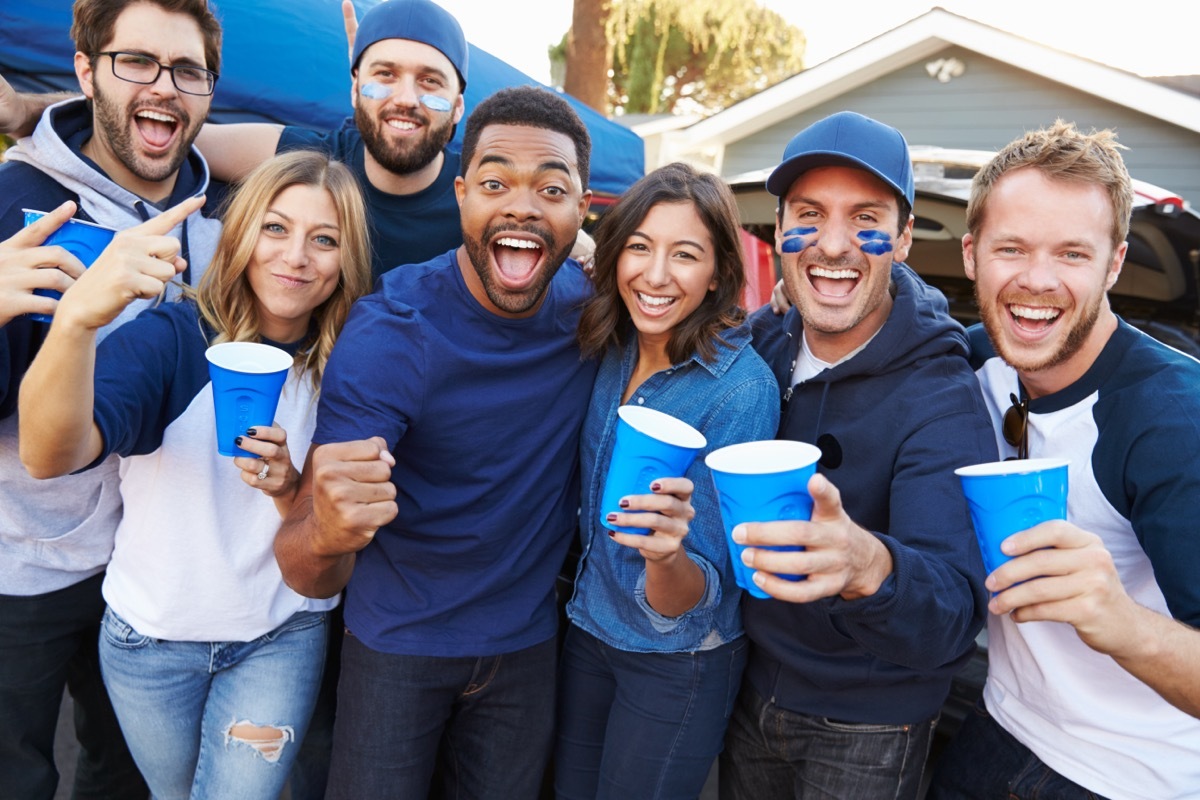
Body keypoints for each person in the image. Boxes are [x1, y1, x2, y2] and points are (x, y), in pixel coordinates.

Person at [272, 85, 633, 799]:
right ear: (461, 195)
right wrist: (331, 532)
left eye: (550, 189)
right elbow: (302, 565)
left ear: (582, 208)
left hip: (526, 650)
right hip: (395, 646)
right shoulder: (393, 328)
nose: (522, 206)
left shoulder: (593, 316)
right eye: (495, 183)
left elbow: (694, 311)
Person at [17, 150, 372, 799]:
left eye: (325, 240)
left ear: (348, 260)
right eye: (276, 228)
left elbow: (333, 529)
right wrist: (76, 320)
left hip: (279, 636)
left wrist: (291, 487)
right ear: (239, 234)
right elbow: (48, 455)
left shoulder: (349, 366)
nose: (297, 255)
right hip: (151, 643)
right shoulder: (172, 339)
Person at [719, 111, 998, 799]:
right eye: (809, 215)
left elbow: (955, 620)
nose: (834, 244)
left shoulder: (940, 393)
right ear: (778, 230)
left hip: (869, 726)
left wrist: (870, 565)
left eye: (865, 217)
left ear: (903, 238)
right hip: (747, 690)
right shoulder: (766, 346)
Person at [926, 122, 1200, 800]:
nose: (1037, 281)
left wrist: (1121, 619)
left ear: (1113, 263)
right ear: (971, 255)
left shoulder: (1171, 419)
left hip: (1128, 774)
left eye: (1072, 254)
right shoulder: (972, 362)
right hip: (998, 724)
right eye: (1011, 248)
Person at [0, 1, 222, 797]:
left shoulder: (216, 220)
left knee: (124, 778)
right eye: (137, 61)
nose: (164, 86)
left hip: (147, 577)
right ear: (87, 69)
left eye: (187, 70)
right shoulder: (18, 195)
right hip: (19, 570)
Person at [554, 163, 778, 799]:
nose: (655, 276)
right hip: (588, 627)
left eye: (685, 254)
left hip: (678, 660)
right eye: (640, 247)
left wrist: (666, 553)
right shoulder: (613, 339)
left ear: (717, 275)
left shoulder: (740, 390)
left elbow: (705, 592)